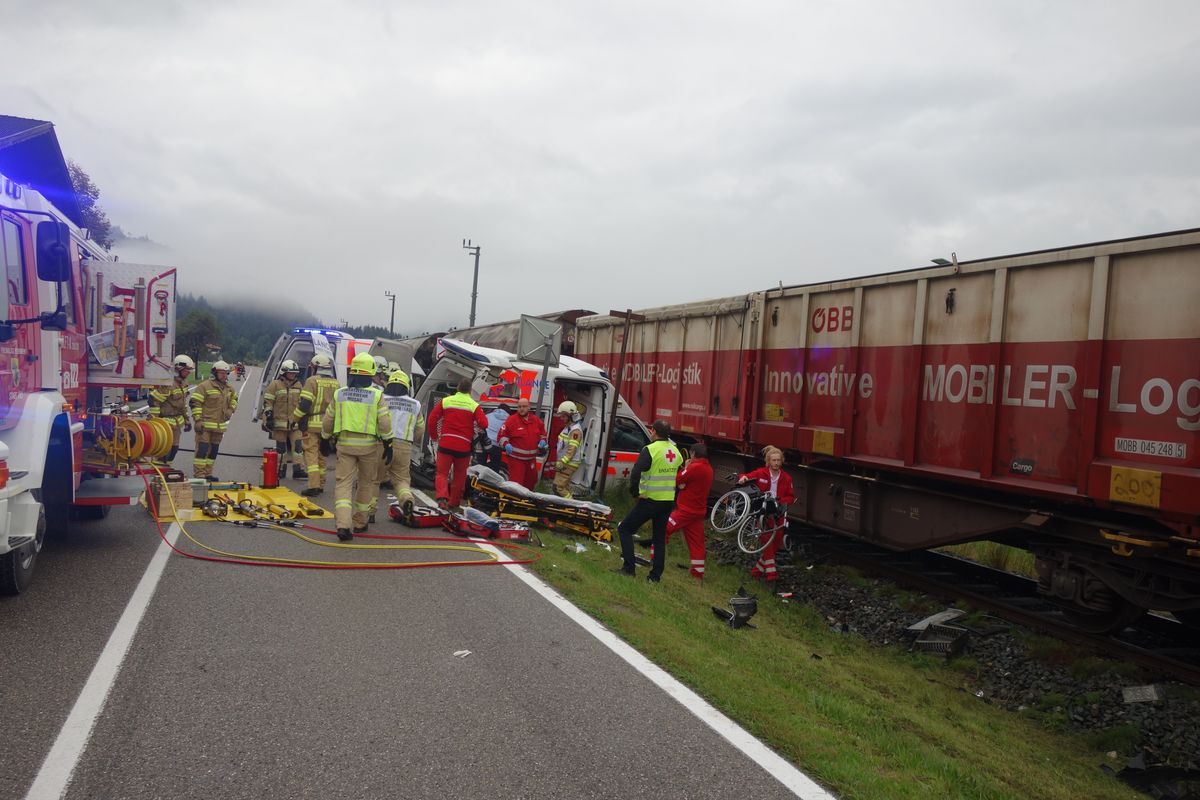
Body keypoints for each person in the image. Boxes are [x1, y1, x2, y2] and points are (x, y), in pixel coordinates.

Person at [320, 353, 392, 541]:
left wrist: (324, 438)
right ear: (370, 374)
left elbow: (328, 420)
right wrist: (389, 443)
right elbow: (384, 423)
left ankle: (343, 525)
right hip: (369, 447)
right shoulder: (377, 396)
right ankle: (360, 522)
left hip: (344, 446)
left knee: (343, 485)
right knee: (365, 483)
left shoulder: (340, 394)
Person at [615, 420, 683, 582]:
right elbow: (679, 476)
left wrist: (635, 492)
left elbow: (636, 473)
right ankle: (655, 577)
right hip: (667, 501)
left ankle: (629, 568)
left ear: (653, 431)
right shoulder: (675, 451)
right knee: (659, 538)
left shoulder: (650, 450)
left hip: (649, 500)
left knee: (625, 529)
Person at [427, 376, 488, 511]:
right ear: (470, 391)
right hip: (463, 447)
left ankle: (442, 498)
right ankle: (454, 503)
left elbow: (432, 419)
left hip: (446, 443)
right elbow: (484, 423)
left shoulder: (446, 401)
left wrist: (434, 436)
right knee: (459, 475)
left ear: (458, 388)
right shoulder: (474, 405)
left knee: (442, 473)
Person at [737, 445, 795, 582]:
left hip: (778, 513)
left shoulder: (787, 478)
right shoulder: (761, 473)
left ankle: (756, 571)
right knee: (766, 540)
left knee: (776, 542)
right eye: (773, 460)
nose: (776, 463)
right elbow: (747, 476)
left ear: (781, 461)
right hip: (763, 513)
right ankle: (771, 574)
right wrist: (743, 478)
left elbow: (791, 497)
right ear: (768, 461)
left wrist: (780, 501)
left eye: (778, 460)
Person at [661, 442, 714, 580]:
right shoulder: (708, 468)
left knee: (662, 528)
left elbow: (678, 479)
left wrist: (686, 466)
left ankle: (656, 557)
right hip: (698, 512)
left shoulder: (694, 467)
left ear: (693, 454)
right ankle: (697, 573)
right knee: (697, 543)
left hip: (686, 511)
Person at [293, 353, 340, 497]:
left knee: (311, 455)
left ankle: (313, 486)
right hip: (328, 425)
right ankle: (321, 484)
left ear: (315, 367)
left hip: (312, 424)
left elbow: (304, 404)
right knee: (322, 455)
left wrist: (294, 419)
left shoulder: (311, 381)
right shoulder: (336, 383)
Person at [380, 369, 425, 516]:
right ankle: (406, 499)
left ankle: (370, 512)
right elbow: (420, 429)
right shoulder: (415, 404)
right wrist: (413, 441)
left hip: (382, 444)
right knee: (402, 480)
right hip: (405, 446)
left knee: (373, 480)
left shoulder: (381, 399)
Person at [189, 360, 237, 481]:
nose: (224, 376)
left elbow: (234, 400)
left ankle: (208, 474)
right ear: (215, 373)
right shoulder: (204, 386)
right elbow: (195, 403)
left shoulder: (229, 388)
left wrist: (231, 409)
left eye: (226, 373)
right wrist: (198, 420)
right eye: (221, 373)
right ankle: (199, 476)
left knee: (213, 453)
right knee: (202, 451)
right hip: (205, 426)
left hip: (219, 427)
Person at [262, 359, 306, 480]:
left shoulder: (298, 385)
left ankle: (299, 470)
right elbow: (268, 402)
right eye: (290, 373)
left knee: (297, 448)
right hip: (279, 424)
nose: (293, 375)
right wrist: (269, 416)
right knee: (281, 450)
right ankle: (280, 470)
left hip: (294, 425)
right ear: (284, 372)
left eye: (294, 373)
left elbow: (301, 403)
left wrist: (303, 418)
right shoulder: (275, 385)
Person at [148, 354, 194, 465]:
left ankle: (167, 473)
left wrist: (187, 419)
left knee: (173, 451)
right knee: (162, 452)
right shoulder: (168, 384)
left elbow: (182, 404)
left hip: (177, 424)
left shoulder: (184, 384)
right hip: (164, 424)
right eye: (187, 370)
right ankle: (158, 475)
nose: (188, 373)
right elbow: (154, 401)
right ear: (179, 369)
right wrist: (155, 422)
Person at [497, 397, 548, 490]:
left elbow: (543, 434)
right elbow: (501, 436)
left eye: (524, 406)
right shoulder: (511, 420)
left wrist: (543, 440)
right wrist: (506, 444)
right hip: (516, 460)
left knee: (531, 482)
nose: (521, 409)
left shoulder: (536, 420)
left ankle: (526, 502)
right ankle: (513, 504)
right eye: (519, 406)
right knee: (516, 485)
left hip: (531, 460)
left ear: (529, 407)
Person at [552, 400, 584, 498]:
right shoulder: (569, 427)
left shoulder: (575, 430)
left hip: (569, 463)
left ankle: (570, 505)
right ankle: (567, 505)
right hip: (566, 462)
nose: (561, 418)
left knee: (558, 487)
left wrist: (562, 462)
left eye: (564, 416)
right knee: (563, 487)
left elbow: (572, 450)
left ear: (570, 416)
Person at [484, 403, 510, 472]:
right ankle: (492, 481)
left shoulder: (488, 415)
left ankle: (479, 481)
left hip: (484, 442)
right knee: (495, 468)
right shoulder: (509, 420)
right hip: (496, 445)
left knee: (481, 466)